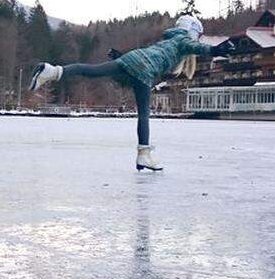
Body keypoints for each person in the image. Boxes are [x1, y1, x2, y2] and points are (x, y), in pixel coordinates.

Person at [28, 14, 234, 171]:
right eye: (196, 35)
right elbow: (193, 46)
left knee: (92, 71)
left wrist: (121, 56)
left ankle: (52, 71)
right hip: (145, 71)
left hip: (133, 60)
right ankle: (143, 154)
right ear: (191, 31)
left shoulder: (169, 39)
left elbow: (149, 54)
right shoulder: (182, 40)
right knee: (144, 113)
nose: (195, 40)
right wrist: (215, 50)